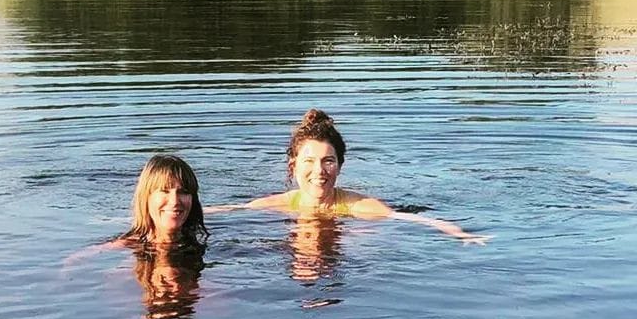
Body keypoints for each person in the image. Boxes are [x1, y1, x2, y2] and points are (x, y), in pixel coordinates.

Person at [209, 108, 486, 243]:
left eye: (328, 161)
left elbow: (413, 219)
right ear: (293, 166)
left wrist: (462, 235)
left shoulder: (356, 206)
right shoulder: (280, 204)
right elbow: (228, 210)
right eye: (309, 161)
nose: (319, 171)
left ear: (340, 166)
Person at [63, 153, 209, 270]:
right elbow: (75, 259)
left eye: (183, 192)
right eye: (164, 191)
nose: (175, 201)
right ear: (147, 197)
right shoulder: (129, 246)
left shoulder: (201, 240)